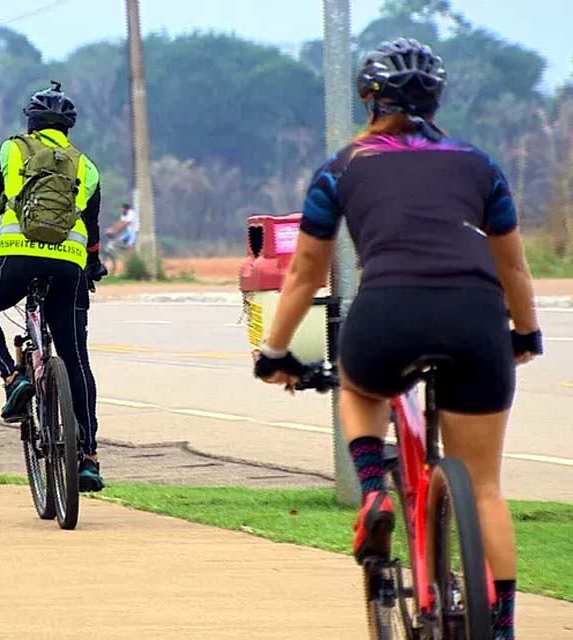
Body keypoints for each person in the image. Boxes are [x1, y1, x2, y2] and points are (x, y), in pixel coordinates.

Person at [252, 38, 542, 640]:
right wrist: (526, 334)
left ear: (368, 98)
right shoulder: (480, 163)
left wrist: (273, 354)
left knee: (359, 391)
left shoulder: (342, 166)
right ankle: (504, 628)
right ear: (436, 99)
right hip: (476, 318)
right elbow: (513, 270)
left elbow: (305, 272)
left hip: (388, 314)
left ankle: (372, 492)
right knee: (485, 486)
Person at [0, 81, 108, 492]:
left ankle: (13, 378)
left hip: (15, 258)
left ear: (31, 122)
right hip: (68, 267)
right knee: (76, 359)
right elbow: (92, 229)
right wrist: (92, 264)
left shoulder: (11, 150)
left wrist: (5, 202)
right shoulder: (87, 165)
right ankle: (89, 458)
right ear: (68, 128)